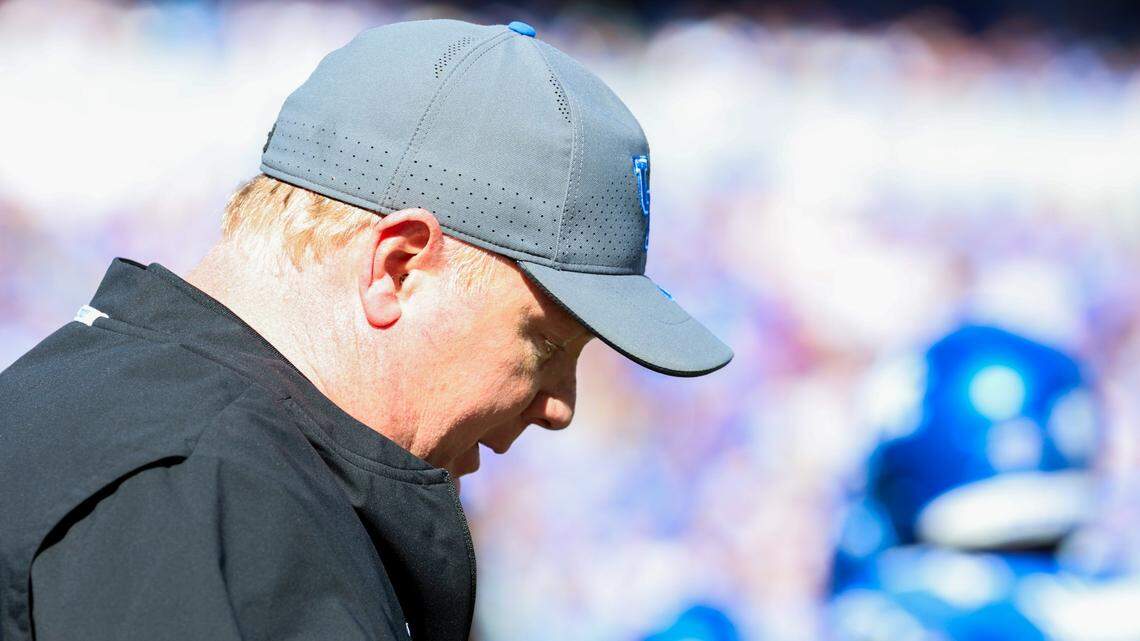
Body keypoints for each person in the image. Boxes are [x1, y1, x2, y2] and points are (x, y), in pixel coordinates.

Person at [0, 18, 732, 641]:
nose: (559, 404)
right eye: (545, 346)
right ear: (399, 267)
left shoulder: (108, 401)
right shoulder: (214, 502)